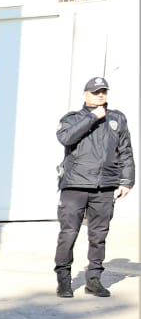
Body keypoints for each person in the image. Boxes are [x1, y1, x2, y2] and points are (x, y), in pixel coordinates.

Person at [55, 75, 133, 298]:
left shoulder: (117, 119)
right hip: (75, 185)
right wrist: (91, 117)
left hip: (105, 186)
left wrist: (127, 180)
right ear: (85, 95)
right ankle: (64, 280)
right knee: (68, 233)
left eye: (103, 92)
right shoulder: (72, 119)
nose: (100, 95)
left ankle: (94, 280)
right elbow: (66, 138)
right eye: (96, 92)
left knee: (98, 235)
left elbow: (125, 151)